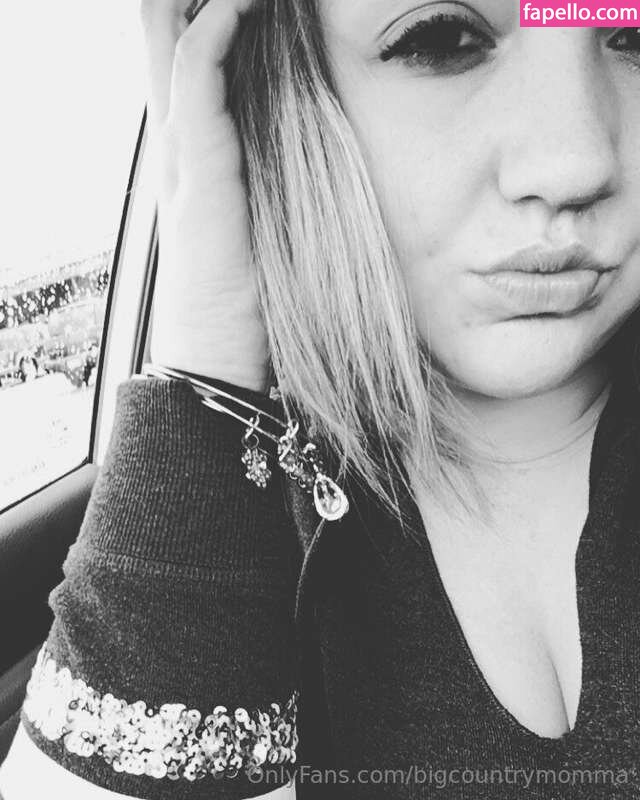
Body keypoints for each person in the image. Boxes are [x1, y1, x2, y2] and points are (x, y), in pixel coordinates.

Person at [1, 0, 640, 797]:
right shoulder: (237, 496)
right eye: (443, 38)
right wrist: (209, 353)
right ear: (278, 82)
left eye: (634, 36)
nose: (577, 163)